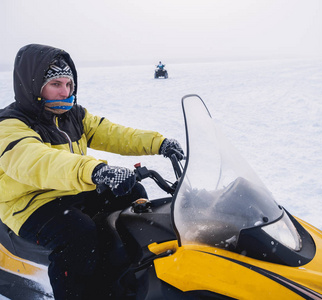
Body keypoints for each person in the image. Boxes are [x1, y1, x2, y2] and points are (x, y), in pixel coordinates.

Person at [0, 44, 184, 299]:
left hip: (71, 188)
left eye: (69, 84)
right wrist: (95, 170)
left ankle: (124, 276)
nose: (65, 92)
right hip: (29, 202)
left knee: (134, 195)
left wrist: (158, 143)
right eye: (56, 84)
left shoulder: (73, 115)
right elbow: (39, 161)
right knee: (78, 233)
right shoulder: (11, 125)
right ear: (32, 85)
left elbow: (113, 133)